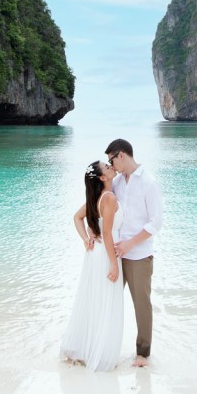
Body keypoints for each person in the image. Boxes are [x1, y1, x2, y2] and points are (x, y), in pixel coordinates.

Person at [59, 159, 124, 371]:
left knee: (94, 299)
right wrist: (114, 265)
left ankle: (86, 348)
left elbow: (77, 218)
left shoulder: (95, 197)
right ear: (103, 178)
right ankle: (99, 354)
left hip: (94, 255)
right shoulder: (109, 197)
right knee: (104, 300)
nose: (111, 166)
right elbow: (106, 233)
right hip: (105, 254)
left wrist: (86, 237)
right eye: (107, 166)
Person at [106, 137, 163, 367]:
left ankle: (142, 354)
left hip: (139, 256)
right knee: (108, 301)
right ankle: (105, 347)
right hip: (117, 257)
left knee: (142, 305)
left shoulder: (148, 182)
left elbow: (155, 222)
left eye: (111, 159)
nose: (110, 164)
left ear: (121, 154)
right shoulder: (117, 182)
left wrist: (131, 243)